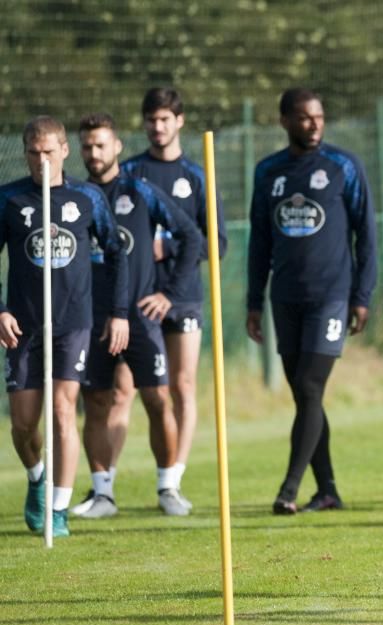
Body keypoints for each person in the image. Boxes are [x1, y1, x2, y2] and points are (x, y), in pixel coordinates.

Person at [247, 88, 377, 514]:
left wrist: (362, 294)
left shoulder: (343, 166)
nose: (314, 124)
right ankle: (328, 491)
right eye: (304, 117)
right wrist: (253, 300)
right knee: (307, 397)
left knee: (309, 386)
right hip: (285, 298)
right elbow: (259, 240)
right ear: (285, 121)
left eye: (319, 116)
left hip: (331, 297)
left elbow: (366, 234)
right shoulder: (268, 171)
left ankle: (288, 489)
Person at [0, 116, 128, 537]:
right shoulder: (9, 200)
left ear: (64, 151)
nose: (42, 161)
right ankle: (37, 476)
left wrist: (120, 312)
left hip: (73, 323)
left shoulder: (86, 197)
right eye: (34, 154)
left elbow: (116, 252)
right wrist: (1, 310)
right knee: (22, 424)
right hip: (23, 326)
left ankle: (58, 508)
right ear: (25, 153)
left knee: (62, 411)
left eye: (49, 152)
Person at [75, 113, 204, 518]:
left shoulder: (140, 191)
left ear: (117, 147)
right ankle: (102, 495)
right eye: (87, 146)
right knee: (98, 402)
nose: (94, 153)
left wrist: (169, 294)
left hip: (141, 320)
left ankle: (168, 487)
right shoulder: (73, 197)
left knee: (157, 399)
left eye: (101, 144)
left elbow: (192, 236)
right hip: (90, 321)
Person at [115, 87, 228, 509]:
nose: (157, 127)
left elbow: (216, 243)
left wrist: (167, 247)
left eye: (165, 119)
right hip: (134, 299)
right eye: (151, 120)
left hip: (182, 299)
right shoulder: (128, 173)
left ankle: (171, 484)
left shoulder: (197, 176)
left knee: (181, 386)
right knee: (124, 391)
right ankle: (104, 485)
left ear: (179, 121)